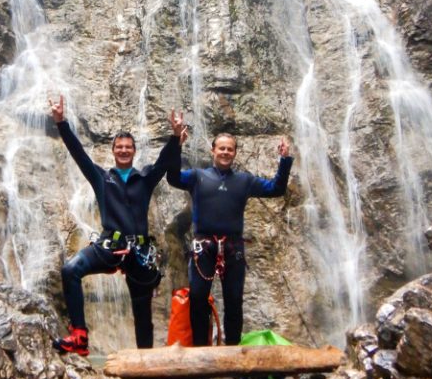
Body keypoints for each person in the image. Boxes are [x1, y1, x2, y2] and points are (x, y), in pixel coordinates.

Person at [49, 95, 188, 356]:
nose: (123, 150)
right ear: (113, 151)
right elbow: (78, 153)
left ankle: (144, 365)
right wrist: (60, 122)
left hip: (139, 252)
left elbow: (163, 163)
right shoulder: (102, 178)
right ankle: (79, 336)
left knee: (143, 313)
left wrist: (174, 136)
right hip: (109, 245)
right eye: (119, 147)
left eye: (128, 147)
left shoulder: (145, 178)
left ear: (134, 151)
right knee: (70, 270)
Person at [167, 125, 293, 346]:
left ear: (235, 153)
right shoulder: (197, 176)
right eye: (221, 148)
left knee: (234, 300)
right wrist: (176, 144)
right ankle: (200, 352)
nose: (225, 152)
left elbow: (276, 189)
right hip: (203, 247)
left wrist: (284, 160)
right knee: (197, 299)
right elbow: (173, 178)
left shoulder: (245, 180)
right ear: (213, 151)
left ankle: (233, 352)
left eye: (230, 149)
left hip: (233, 247)